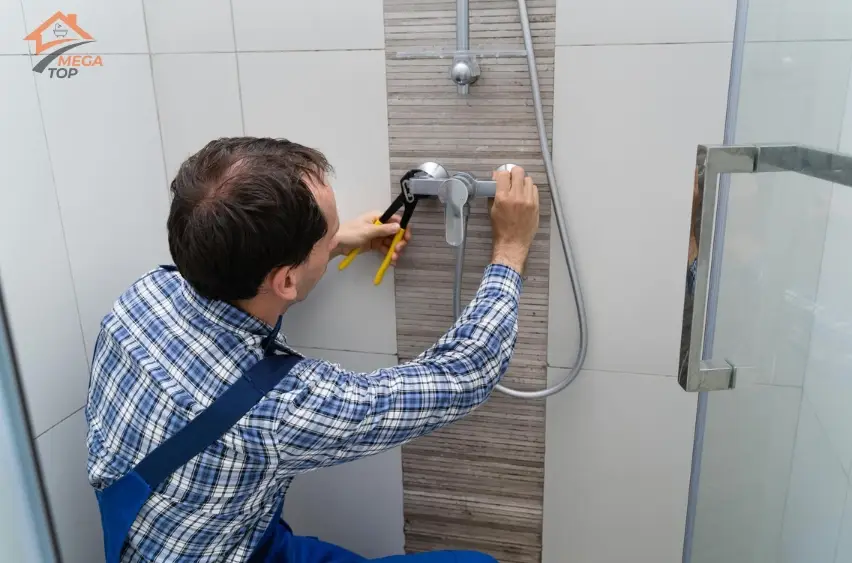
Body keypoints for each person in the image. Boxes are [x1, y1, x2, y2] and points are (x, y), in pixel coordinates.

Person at [85, 137, 540, 563]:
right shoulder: (282, 410)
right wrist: (511, 248)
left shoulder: (144, 297)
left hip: (187, 537)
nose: (335, 241)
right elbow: (465, 375)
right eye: (329, 237)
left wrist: (333, 243)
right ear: (284, 278)